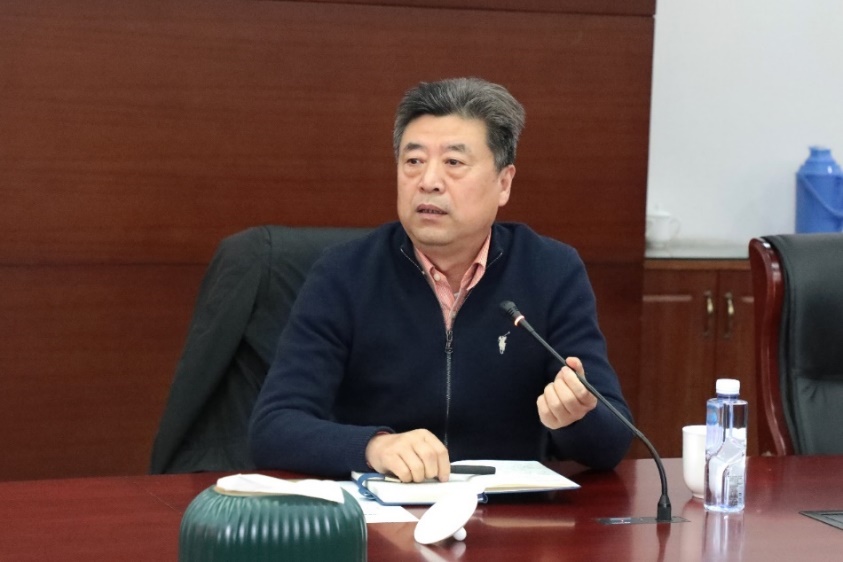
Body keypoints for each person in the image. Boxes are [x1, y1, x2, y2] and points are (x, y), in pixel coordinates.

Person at [249, 77, 633, 482]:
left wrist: (576, 416)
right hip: (384, 509)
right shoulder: (344, 274)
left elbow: (612, 442)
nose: (428, 181)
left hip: (508, 513)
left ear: (503, 183)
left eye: (453, 163)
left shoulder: (550, 270)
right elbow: (273, 427)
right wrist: (374, 447)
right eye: (413, 161)